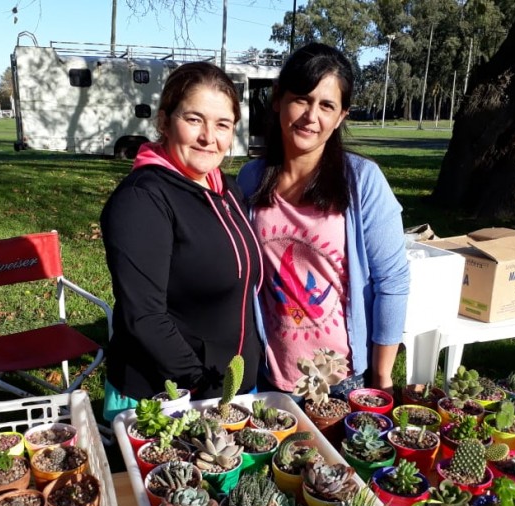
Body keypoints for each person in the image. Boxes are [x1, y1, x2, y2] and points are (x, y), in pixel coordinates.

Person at [237, 43, 409, 399]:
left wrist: (381, 377)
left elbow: (392, 282)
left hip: (343, 382)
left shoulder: (362, 181)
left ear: (341, 116)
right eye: (301, 98)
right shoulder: (250, 179)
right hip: (272, 373)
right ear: (278, 100)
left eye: (327, 105)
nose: (310, 116)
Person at [100, 62, 262, 420]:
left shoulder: (227, 189)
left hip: (231, 392)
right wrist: (206, 386)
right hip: (169, 399)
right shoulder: (142, 199)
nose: (209, 136)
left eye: (223, 124)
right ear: (163, 122)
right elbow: (144, 316)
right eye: (194, 119)